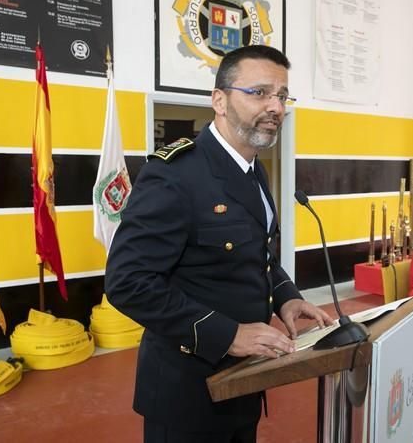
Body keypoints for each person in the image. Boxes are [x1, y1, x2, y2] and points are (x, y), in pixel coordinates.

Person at [105, 45, 333, 443]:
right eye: (259, 92)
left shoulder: (252, 169)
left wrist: (286, 297)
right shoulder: (174, 174)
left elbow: (254, 252)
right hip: (187, 394)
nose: (275, 107)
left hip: (242, 381)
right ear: (219, 100)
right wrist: (227, 335)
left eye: (281, 95)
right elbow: (127, 282)